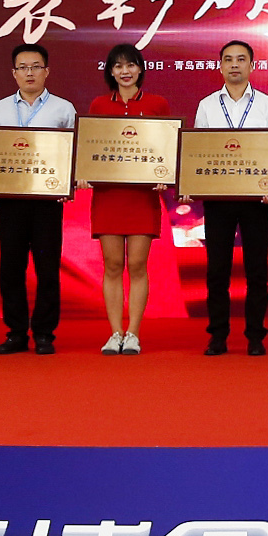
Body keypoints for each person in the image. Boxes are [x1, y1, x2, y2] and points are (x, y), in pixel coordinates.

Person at [0, 42, 77, 355]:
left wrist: (68, 183)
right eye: (23, 67)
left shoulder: (63, 109)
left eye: (36, 67)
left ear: (47, 71)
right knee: (11, 267)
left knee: (47, 268)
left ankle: (45, 333)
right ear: (14, 73)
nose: (29, 73)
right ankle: (16, 332)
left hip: (47, 201)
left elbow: (73, 152)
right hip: (10, 201)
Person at [84, 42, 173, 356]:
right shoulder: (98, 105)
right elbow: (90, 149)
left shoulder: (157, 103)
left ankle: (133, 332)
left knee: (136, 265)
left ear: (140, 69)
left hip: (142, 197)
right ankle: (114, 333)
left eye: (131, 65)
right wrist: (84, 171)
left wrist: (166, 174)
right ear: (110, 71)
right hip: (109, 195)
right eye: (118, 66)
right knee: (112, 265)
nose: (125, 71)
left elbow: (168, 149)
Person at [194, 39, 268, 356]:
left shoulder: (267, 105)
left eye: (241, 59)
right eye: (228, 59)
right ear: (220, 66)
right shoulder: (207, 105)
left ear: (252, 66)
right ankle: (218, 335)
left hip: (256, 199)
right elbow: (198, 151)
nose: (234, 64)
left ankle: (256, 336)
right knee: (217, 270)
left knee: (257, 270)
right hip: (218, 198)